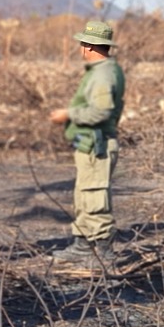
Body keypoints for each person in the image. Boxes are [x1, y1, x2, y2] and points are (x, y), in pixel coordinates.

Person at [47, 20, 125, 263]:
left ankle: (103, 250)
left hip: (97, 145)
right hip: (89, 144)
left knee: (95, 196)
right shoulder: (104, 71)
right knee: (84, 195)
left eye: (83, 43)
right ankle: (82, 245)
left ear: (89, 47)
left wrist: (69, 115)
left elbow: (101, 111)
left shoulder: (103, 75)